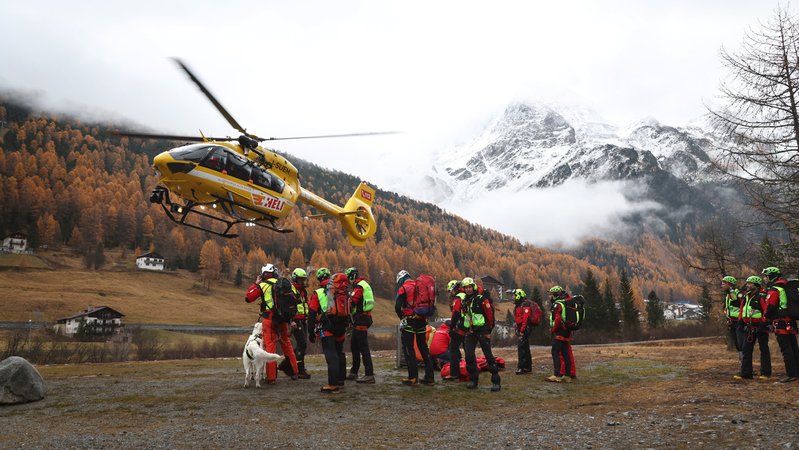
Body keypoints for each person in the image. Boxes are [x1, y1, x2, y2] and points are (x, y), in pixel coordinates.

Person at [247, 264, 298, 384]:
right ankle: (295, 372)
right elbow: (296, 298)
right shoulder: (285, 283)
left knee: (270, 347)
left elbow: (248, 298)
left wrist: (255, 284)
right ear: (274, 272)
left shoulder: (262, 285)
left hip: (269, 319)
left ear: (263, 274)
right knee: (287, 345)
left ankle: (271, 378)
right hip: (283, 319)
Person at [308, 267, 348, 393]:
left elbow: (312, 314)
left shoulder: (318, 293)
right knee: (340, 352)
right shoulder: (341, 290)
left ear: (319, 279)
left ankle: (333, 384)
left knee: (331, 354)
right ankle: (341, 380)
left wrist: (310, 332)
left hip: (327, 327)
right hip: (341, 325)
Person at [458, 277, 501, 391]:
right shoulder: (464, 301)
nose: (468, 289)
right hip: (470, 331)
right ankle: (473, 380)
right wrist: (463, 327)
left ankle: (496, 381)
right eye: (466, 288)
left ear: (473, 287)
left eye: (470, 287)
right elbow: (464, 316)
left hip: (482, 330)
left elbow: (490, 315)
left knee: (488, 356)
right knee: (468, 356)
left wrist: (488, 330)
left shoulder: (481, 299)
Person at [395, 270, 435, 386]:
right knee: (423, 348)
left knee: (409, 348)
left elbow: (397, 306)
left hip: (409, 320)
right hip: (421, 320)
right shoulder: (418, 285)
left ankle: (413, 377)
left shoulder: (404, 288)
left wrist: (401, 317)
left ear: (401, 279)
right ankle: (430, 377)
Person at [762, 267, 799, 383]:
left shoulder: (775, 289)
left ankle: (791, 374)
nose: (764, 279)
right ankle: (796, 372)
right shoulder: (787, 286)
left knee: (786, 349)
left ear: (771, 277)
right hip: (791, 321)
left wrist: (765, 319)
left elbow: (770, 306)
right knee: (794, 348)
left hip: (780, 322)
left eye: (766, 276)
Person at [734, 275, 771, 380]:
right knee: (746, 349)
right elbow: (742, 309)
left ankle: (765, 373)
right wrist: (740, 322)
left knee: (763, 349)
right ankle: (746, 373)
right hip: (749, 327)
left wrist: (763, 323)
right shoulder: (746, 296)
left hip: (761, 326)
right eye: (747, 283)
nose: (747, 285)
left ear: (755, 285)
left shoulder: (761, 296)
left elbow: (766, 311)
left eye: (749, 283)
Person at [278, 268, 311, 379]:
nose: (303, 282)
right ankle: (299, 369)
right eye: (301, 280)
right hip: (296, 319)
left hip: (303, 319)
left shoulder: (302, 291)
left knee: (302, 344)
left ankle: (286, 364)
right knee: (302, 344)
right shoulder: (291, 289)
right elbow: (288, 306)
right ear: (295, 279)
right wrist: (291, 321)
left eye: (304, 280)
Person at [345, 267, 375, 384]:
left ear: (352, 276)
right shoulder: (364, 284)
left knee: (363, 347)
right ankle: (354, 372)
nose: (348, 281)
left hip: (361, 318)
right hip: (363, 317)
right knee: (354, 345)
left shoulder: (359, 287)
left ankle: (369, 374)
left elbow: (352, 302)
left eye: (349, 278)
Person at [546, 285, 574, 383]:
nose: (551, 297)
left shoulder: (557, 305)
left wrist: (553, 329)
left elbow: (557, 319)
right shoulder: (566, 303)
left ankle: (557, 375)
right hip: (567, 331)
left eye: (552, 295)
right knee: (566, 354)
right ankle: (567, 375)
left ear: (555, 295)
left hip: (559, 332)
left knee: (555, 353)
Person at [513, 288, 540, 375]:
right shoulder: (519, 304)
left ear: (518, 295)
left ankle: (521, 367)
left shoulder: (525, 304)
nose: (513, 297)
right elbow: (518, 318)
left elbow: (525, 318)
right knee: (525, 347)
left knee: (521, 348)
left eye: (514, 295)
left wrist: (522, 330)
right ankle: (527, 367)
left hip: (525, 327)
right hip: (522, 327)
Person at [721, 275, 744, 362]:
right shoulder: (727, 295)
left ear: (729, 284)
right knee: (737, 344)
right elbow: (726, 306)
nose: (721, 285)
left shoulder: (737, 293)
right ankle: (741, 363)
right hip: (732, 322)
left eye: (723, 284)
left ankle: (744, 364)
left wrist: (731, 290)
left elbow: (736, 301)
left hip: (739, 322)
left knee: (741, 343)